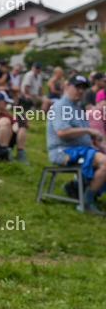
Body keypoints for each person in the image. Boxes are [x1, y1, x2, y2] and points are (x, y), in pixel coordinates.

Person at [46, 75, 106, 215]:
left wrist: (96, 139)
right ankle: (85, 203)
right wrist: (88, 130)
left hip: (80, 150)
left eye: (83, 88)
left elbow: (83, 134)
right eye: (77, 87)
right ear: (67, 86)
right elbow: (62, 132)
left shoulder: (77, 108)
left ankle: (76, 188)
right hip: (63, 152)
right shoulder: (60, 106)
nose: (81, 91)